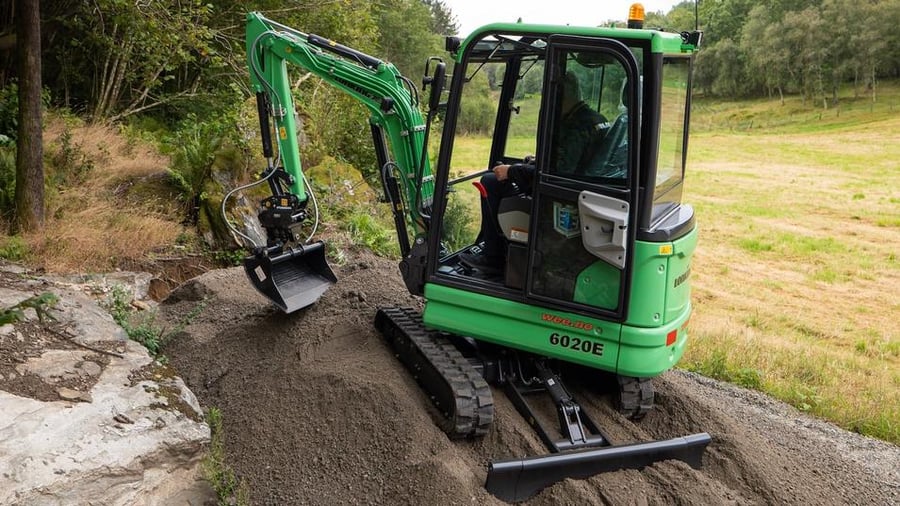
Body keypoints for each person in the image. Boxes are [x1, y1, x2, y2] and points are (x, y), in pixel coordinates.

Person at [459, 71, 610, 274]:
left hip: (562, 198)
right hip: (580, 190)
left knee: (491, 181)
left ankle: (493, 257)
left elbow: (558, 174)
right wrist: (537, 162)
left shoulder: (576, 126)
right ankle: (490, 246)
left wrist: (513, 171)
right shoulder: (596, 119)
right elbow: (568, 162)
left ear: (560, 96)